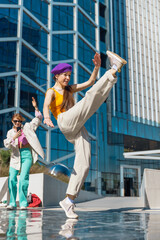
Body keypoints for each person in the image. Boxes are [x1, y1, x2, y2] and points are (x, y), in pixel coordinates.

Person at [43, 51, 127, 218]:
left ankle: (69, 200)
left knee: (85, 163)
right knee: (89, 99)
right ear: (56, 76)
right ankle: (112, 70)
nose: (67, 78)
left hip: (76, 126)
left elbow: (90, 82)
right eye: (64, 75)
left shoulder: (69, 90)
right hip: (65, 121)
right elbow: (46, 105)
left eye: (69, 75)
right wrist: (46, 117)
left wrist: (96, 67)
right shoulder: (51, 91)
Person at [4, 97, 44, 210]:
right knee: (12, 178)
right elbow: (7, 145)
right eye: (16, 121)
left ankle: (23, 203)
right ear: (12, 122)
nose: (18, 123)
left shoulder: (27, 127)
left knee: (23, 179)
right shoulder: (10, 132)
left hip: (26, 155)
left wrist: (35, 107)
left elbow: (38, 118)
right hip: (15, 156)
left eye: (20, 121)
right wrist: (13, 138)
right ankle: (12, 202)